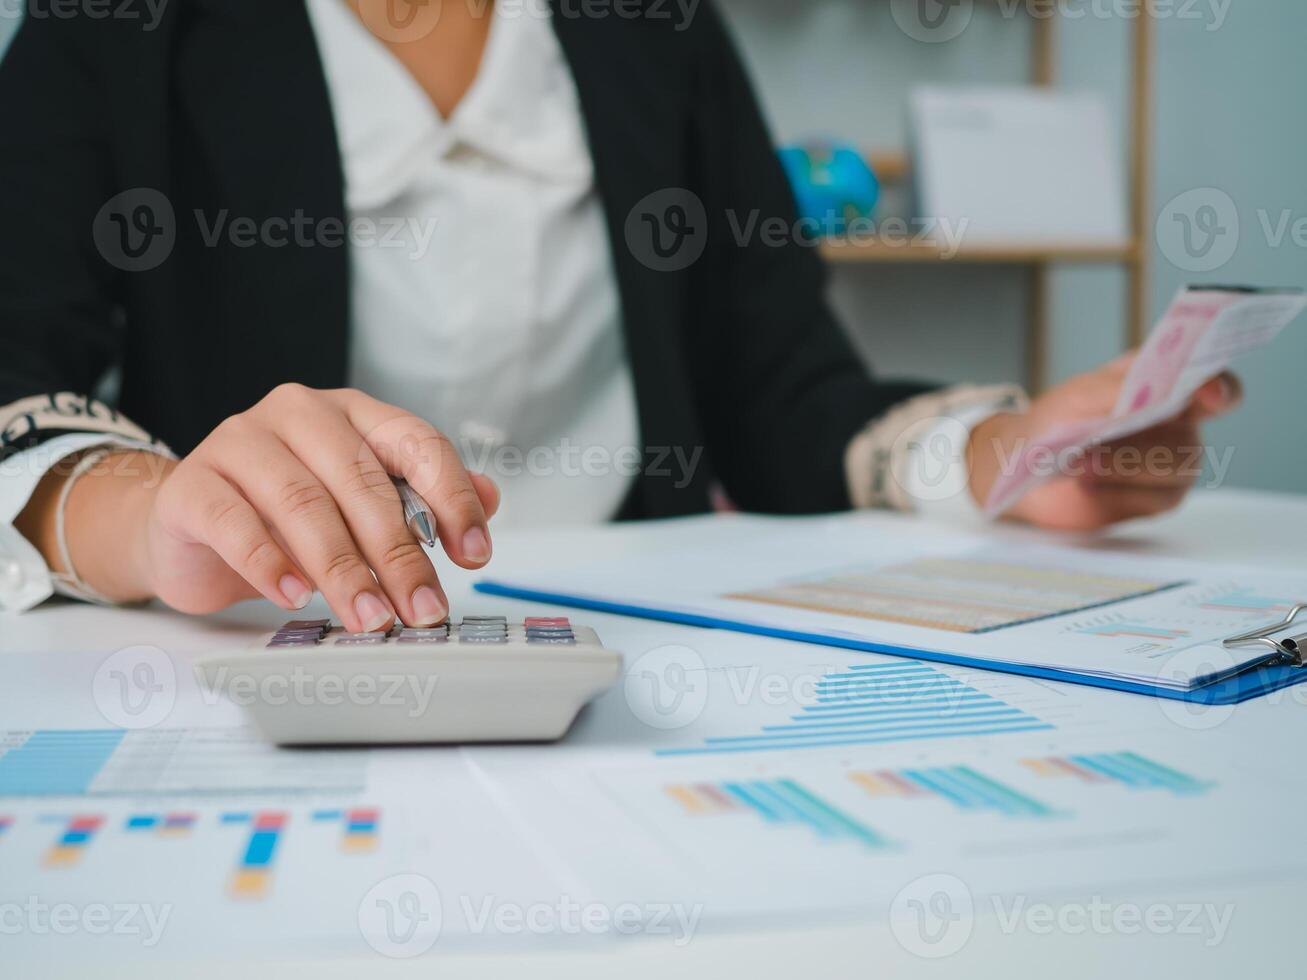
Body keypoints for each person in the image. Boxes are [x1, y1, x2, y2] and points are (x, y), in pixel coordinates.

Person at [0, 0, 1239, 631]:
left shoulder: (652, 24)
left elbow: (781, 393)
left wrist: (989, 457)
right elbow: (15, 367)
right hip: (262, 654)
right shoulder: (114, 30)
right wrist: (150, 516)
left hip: (650, 659)